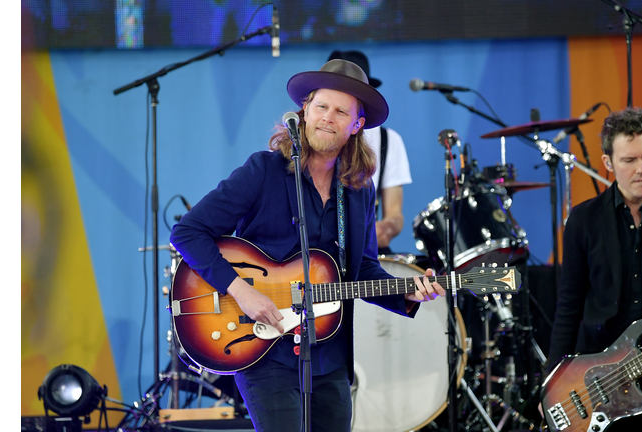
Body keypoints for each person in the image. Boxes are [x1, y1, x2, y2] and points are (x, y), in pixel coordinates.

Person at [170, 59, 445, 432]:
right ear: (304, 111)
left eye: (341, 112)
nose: (328, 118)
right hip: (262, 349)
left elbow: (360, 269)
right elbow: (187, 233)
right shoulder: (263, 171)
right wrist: (241, 291)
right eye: (321, 107)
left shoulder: (359, 190)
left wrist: (407, 294)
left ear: (357, 125)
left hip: (329, 355)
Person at [547, 106, 642, 431]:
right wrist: (551, 382)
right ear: (608, 163)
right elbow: (568, 306)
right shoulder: (584, 221)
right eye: (629, 160)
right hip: (596, 379)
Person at [327, 50, 412, 255]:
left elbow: (395, 214)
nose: (330, 115)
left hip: (363, 250)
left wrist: (385, 229)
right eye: (323, 104)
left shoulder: (389, 140)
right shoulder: (296, 143)